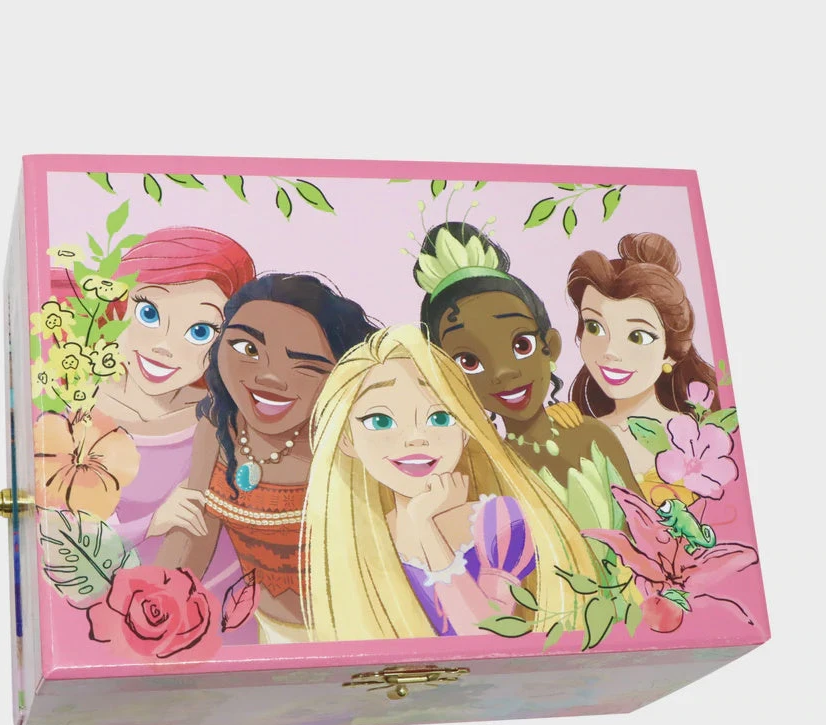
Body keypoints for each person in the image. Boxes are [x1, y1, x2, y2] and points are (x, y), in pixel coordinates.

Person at [301, 324, 598, 642]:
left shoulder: (496, 521)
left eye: (440, 418)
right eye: (380, 421)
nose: (416, 439)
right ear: (346, 438)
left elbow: (488, 635)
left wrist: (425, 527)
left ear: (466, 428)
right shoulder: (360, 541)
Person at [156, 273, 378, 643]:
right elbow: (194, 536)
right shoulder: (217, 427)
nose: (270, 377)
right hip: (269, 633)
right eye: (246, 348)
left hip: (362, 631)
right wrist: (146, 604)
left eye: (306, 364)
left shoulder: (351, 441)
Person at [62, 226, 257, 594]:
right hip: (113, 603)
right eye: (148, 313)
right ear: (119, 305)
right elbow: (59, 541)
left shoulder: (219, 416)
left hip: (218, 598)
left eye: (200, 331)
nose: (164, 346)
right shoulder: (75, 411)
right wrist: (152, 523)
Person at [415, 222, 641, 495]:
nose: (503, 372)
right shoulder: (488, 472)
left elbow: (644, 517)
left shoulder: (593, 437)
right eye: (469, 362)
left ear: (551, 346)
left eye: (522, 345)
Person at [567, 232, 719, 499]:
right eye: (594, 327)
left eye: (638, 336)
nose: (610, 351)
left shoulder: (698, 439)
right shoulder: (578, 436)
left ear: (670, 353)